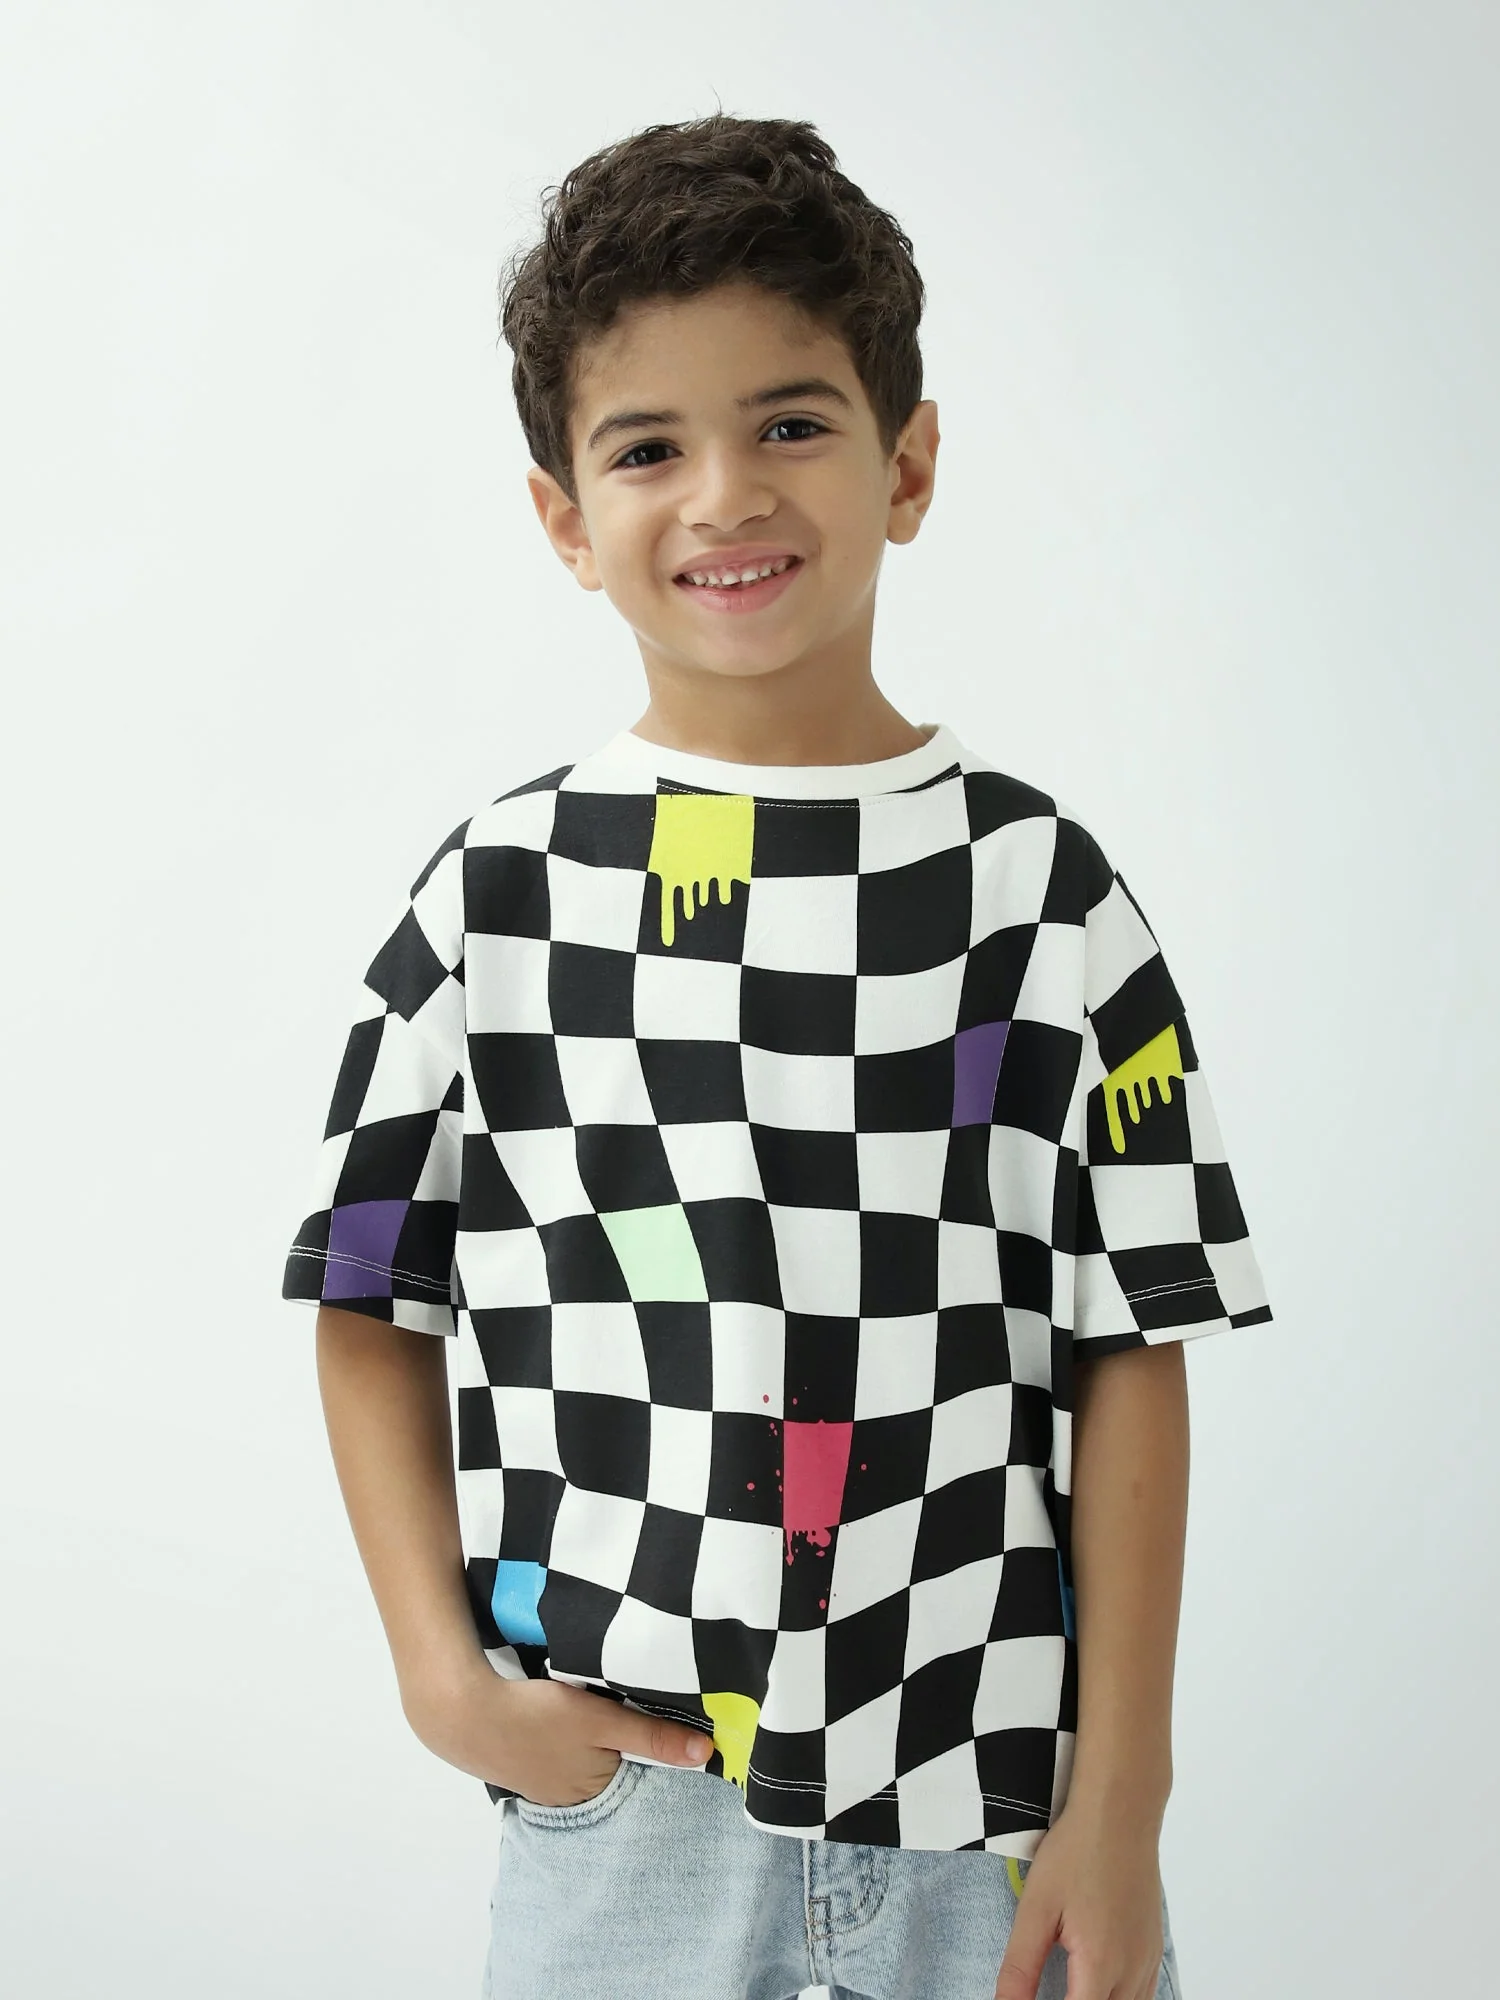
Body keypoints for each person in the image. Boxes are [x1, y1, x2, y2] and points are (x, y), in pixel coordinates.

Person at [282, 113, 1272, 2000]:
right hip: (626, 1800)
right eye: (648, 448)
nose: (725, 495)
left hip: (995, 1792)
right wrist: (439, 1677)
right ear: (565, 517)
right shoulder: (503, 896)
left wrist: (1126, 1793)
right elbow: (365, 1294)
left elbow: (1130, 1342)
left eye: (791, 423)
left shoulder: (1039, 894)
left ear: (908, 465)